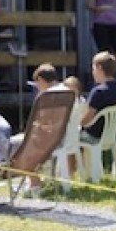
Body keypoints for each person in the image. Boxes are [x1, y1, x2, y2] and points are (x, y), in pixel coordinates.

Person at [24, 63, 69, 196]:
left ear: (41, 80)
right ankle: (35, 181)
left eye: (37, 84)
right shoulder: (68, 91)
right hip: (67, 138)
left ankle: (34, 183)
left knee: (19, 145)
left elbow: (42, 122)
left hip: (51, 140)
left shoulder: (47, 96)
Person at [81, 51, 116, 145]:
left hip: (94, 137)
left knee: (69, 140)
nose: (92, 72)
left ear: (99, 68)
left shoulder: (98, 92)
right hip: (114, 137)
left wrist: (76, 123)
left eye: (93, 69)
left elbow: (86, 120)